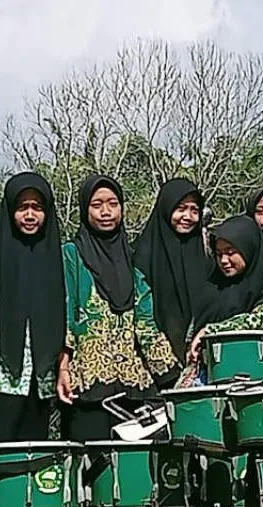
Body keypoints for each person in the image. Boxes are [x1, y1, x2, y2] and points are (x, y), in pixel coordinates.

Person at [57, 175, 178, 441]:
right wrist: (63, 368)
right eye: (97, 204)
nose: (105, 212)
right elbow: (66, 311)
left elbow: (145, 323)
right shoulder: (71, 254)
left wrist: (173, 377)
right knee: (92, 468)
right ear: (84, 209)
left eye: (113, 203)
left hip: (134, 387)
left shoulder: (132, 259)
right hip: (87, 384)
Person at [0, 172, 66, 443]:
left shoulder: (56, 253)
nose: (30, 216)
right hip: (1, 379)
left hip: (42, 381)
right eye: (23, 208)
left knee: (34, 466)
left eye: (37, 208)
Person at [182, 215, 263, 374]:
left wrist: (212, 331)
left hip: (256, 370)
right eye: (219, 254)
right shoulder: (212, 285)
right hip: (210, 369)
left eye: (230, 252)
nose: (224, 261)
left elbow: (259, 319)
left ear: (249, 249)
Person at [134, 179, 211, 366]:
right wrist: (166, 365)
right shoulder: (142, 256)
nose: (188, 216)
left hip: (199, 358)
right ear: (166, 208)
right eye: (181, 208)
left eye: (194, 210)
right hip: (155, 364)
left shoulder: (205, 255)